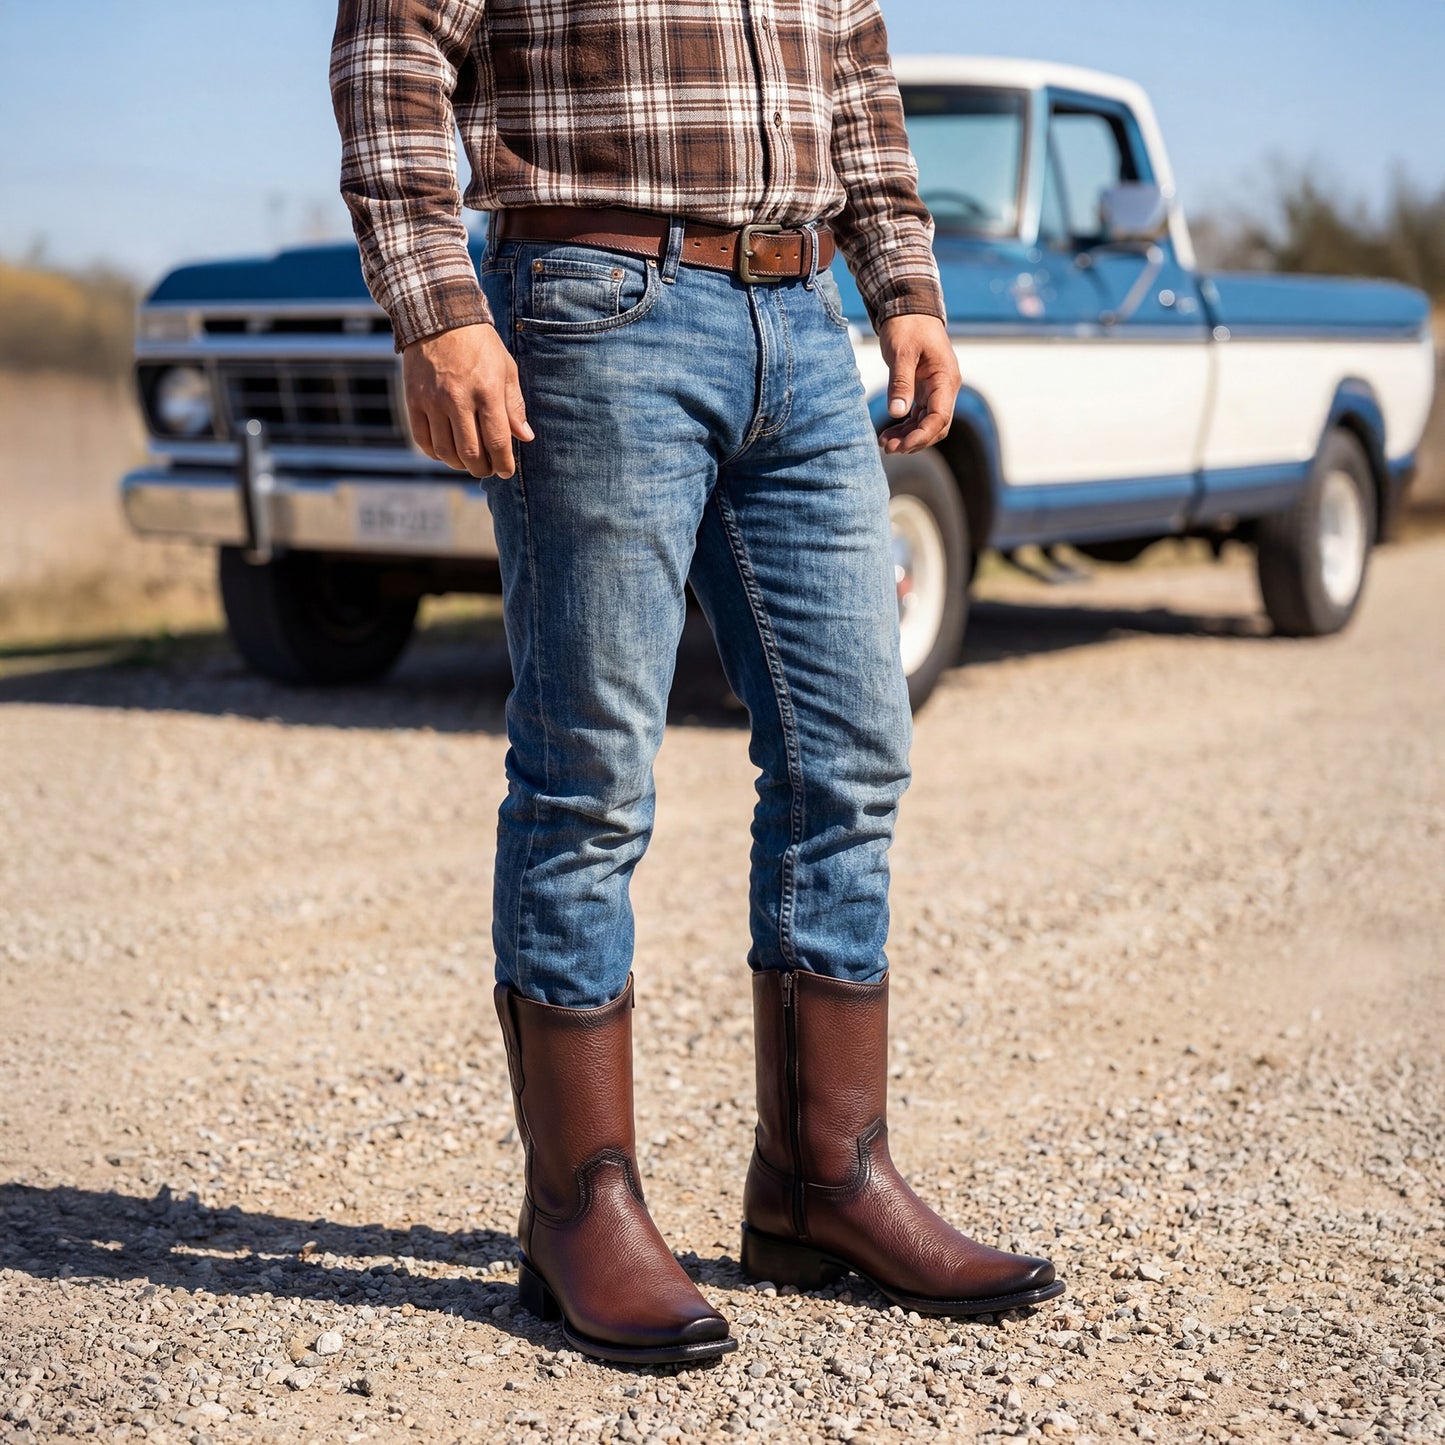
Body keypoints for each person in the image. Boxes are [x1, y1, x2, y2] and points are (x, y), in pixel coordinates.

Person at [331, 0, 1063, 1366]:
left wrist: (903, 287)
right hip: (595, 304)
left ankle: (823, 1179)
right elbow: (392, 51)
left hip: (800, 317)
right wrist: (434, 310)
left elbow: (853, 76)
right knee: (588, 775)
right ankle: (579, 1210)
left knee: (850, 753)